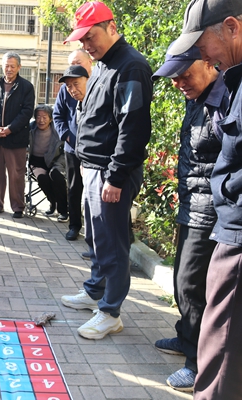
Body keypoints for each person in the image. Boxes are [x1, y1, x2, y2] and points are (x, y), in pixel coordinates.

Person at [60, 1, 152, 340]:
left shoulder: (131, 66)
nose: (87, 45)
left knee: (112, 243)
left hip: (110, 172)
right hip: (92, 167)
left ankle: (110, 311)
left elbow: (133, 127)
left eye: (91, 37)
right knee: (97, 239)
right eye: (82, 39)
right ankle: (95, 290)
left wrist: (115, 176)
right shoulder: (101, 65)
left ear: (111, 27)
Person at [169, 1, 242, 397]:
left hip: (226, 223)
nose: (205, 57)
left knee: (219, 342)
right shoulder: (226, 86)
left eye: (202, 48)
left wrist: (223, 195)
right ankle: (189, 345)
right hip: (209, 213)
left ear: (231, 28)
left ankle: (195, 364)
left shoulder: (227, 90)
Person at [152, 43, 227, 392]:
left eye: (185, 75)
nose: (179, 83)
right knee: (182, 281)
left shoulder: (224, 100)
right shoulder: (196, 97)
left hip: (211, 210)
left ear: (209, 63)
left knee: (192, 286)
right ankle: (186, 338)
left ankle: (198, 364)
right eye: (174, 78)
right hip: (191, 203)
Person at [0, 51, 35, 219]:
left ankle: (18, 207)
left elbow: (27, 112)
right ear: (2, 66)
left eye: (12, 66)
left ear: (19, 67)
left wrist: (10, 129)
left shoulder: (26, 87)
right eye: (6, 66)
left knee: (16, 175)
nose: (9, 69)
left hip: (16, 138)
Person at [53, 49, 93, 240]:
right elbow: (58, 116)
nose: (75, 67)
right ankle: (74, 225)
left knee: (94, 191)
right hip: (72, 147)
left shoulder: (98, 84)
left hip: (94, 149)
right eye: (71, 64)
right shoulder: (66, 89)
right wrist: (68, 137)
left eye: (78, 62)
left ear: (90, 62)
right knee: (74, 188)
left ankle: (93, 231)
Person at [29, 104, 68, 222]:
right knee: (42, 178)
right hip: (36, 162)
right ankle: (53, 202)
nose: (41, 120)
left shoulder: (57, 130)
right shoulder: (30, 128)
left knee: (56, 176)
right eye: (38, 117)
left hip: (55, 160)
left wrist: (60, 162)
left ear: (51, 119)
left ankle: (63, 210)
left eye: (44, 117)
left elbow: (65, 149)